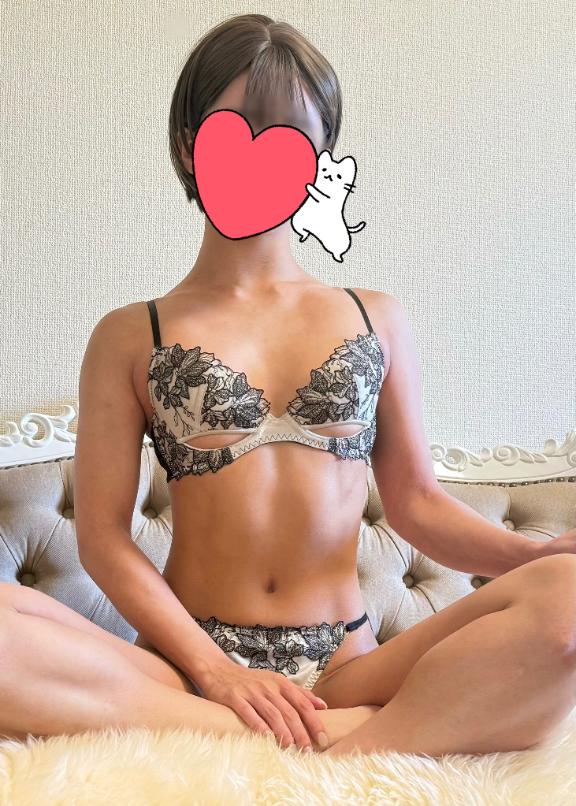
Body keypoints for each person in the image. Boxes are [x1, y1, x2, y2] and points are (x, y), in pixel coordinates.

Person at [2, 14, 575, 760]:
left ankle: (305, 736)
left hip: (349, 667)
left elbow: (416, 503)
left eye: (292, 134)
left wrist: (533, 560)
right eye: (239, 126)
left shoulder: (375, 317)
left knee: (568, 604)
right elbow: (103, 538)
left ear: (319, 156)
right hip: (186, 667)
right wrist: (216, 672)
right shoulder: (129, 334)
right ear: (190, 144)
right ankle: (347, 741)